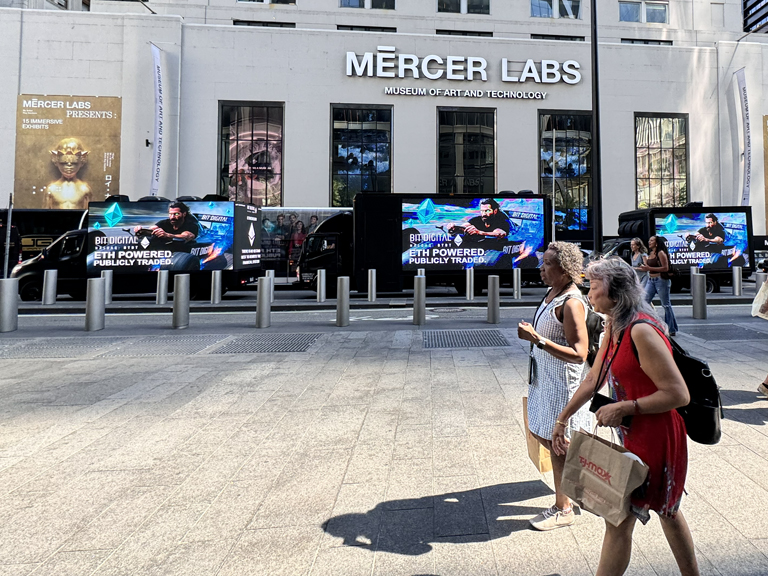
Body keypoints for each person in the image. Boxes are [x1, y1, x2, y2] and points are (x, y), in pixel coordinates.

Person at [552, 258, 699, 576]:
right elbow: (593, 378)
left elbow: (678, 394)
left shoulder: (641, 330)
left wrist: (624, 407)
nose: (588, 294)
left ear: (616, 293)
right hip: (633, 433)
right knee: (647, 513)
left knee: (645, 513)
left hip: (657, 435)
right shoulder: (613, 326)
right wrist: (562, 419)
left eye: (594, 287)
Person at [517, 241, 592, 531]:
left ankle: (564, 507)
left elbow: (580, 354)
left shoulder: (571, 303)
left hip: (562, 385)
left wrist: (537, 339)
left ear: (565, 269)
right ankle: (574, 486)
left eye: (548, 264)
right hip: (546, 380)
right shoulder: (553, 293)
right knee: (546, 436)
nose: (541, 268)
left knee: (558, 444)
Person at [637, 235, 678, 336]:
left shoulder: (661, 253)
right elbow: (649, 267)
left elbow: (665, 268)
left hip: (661, 280)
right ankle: (648, 323)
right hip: (651, 280)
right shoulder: (651, 253)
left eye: (652, 240)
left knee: (666, 304)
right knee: (644, 301)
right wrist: (644, 268)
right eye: (649, 240)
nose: (649, 242)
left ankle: (671, 329)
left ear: (656, 243)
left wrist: (649, 268)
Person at [44, 138, 92, 210]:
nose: (69, 166)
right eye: (63, 163)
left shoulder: (84, 189)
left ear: (82, 162)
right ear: (56, 161)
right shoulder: (51, 189)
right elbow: (45, 213)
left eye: (74, 163)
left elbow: (88, 213)